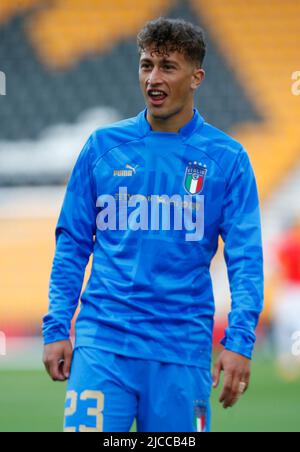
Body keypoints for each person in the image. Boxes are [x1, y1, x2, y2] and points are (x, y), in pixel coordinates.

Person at [42, 17, 264, 432]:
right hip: (104, 342)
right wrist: (57, 325)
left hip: (180, 349)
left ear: (196, 77)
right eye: (146, 65)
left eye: (168, 67)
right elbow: (72, 243)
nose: (153, 78)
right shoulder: (102, 148)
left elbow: (246, 258)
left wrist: (240, 340)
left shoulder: (227, 159)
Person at [271, 217, 300, 380]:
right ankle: (296, 356)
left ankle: (284, 359)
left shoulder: (284, 245)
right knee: (297, 327)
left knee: (283, 326)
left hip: (287, 288)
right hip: (296, 289)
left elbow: (277, 267)